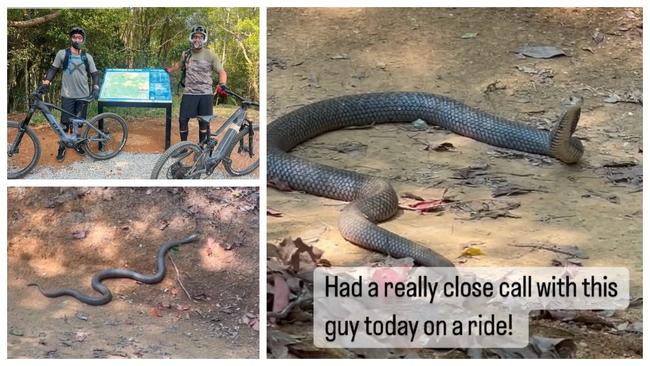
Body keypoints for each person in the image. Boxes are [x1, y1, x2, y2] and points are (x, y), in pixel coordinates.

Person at [39, 26, 100, 161]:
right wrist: (45, 83)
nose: (77, 39)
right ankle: (62, 146)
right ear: (71, 39)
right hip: (67, 96)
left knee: (78, 123)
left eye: (79, 37)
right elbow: (53, 70)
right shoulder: (62, 54)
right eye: (74, 37)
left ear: (83, 40)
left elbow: (95, 74)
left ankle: (77, 143)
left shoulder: (87, 57)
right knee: (65, 124)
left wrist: (95, 87)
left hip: (83, 96)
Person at [165, 25, 228, 145]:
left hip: (205, 94)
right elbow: (179, 65)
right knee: (183, 119)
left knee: (203, 123)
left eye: (200, 37)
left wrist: (222, 84)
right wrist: (169, 70)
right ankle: (183, 146)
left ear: (204, 39)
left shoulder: (210, 55)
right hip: (189, 93)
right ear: (191, 38)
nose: (197, 40)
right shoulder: (186, 54)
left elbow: (222, 71)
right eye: (195, 37)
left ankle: (201, 148)